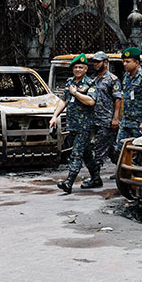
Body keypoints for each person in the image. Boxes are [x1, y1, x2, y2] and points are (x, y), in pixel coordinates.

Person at [49, 53, 99, 194]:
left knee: (76, 153)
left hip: (85, 126)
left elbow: (91, 101)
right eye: (75, 67)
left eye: (80, 67)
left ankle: (68, 182)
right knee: (86, 153)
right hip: (73, 125)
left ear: (85, 69)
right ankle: (96, 178)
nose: (77, 69)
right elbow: (63, 101)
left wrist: (76, 93)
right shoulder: (70, 82)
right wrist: (54, 116)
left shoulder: (90, 83)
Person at [114, 47, 142, 158]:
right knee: (120, 147)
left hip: (139, 121)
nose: (124, 64)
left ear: (136, 62)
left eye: (128, 61)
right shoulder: (126, 76)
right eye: (124, 61)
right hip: (127, 120)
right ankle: (125, 172)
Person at [86, 51, 122, 177]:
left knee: (99, 148)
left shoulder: (113, 79)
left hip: (107, 120)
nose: (95, 64)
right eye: (94, 62)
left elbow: (117, 99)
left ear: (105, 63)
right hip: (95, 119)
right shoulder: (94, 80)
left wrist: (115, 118)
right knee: (110, 148)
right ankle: (124, 168)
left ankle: (95, 177)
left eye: (98, 62)